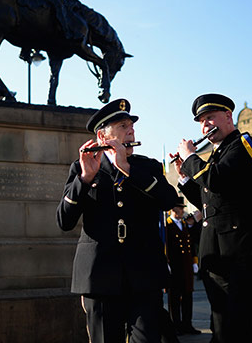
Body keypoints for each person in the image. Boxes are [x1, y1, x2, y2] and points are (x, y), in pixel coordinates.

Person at [56, 98, 179, 343]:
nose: (131, 130)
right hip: (100, 276)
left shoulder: (148, 167)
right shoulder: (83, 168)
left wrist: (128, 169)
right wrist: (83, 180)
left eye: (131, 126)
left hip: (144, 274)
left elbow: (168, 200)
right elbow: (64, 221)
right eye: (123, 126)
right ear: (102, 137)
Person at [173, 93, 252, 343]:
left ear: (228, 116)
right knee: (221, 325)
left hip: (243, 251)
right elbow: (211, 202)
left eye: (210, 118)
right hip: (217, 253)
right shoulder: (218, 153)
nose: (205, 126)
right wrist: (185, 177)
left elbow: (216, 179)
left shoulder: (244, 145)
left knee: (244, 324)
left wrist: (191, 159)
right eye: (201, 122)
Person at [165, 197, 201, 335]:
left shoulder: (184, 225)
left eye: (182, 208)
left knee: (187, 296)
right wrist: (166, 262)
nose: (182, 211)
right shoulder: (167, 226)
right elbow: (165, 246)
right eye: (179, 208)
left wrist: (194, 261)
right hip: (174, 266)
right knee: (174, 298)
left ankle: (187, 324)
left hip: (186, 266)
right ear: (172, 210)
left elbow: (191, 244)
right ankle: (176, 325)